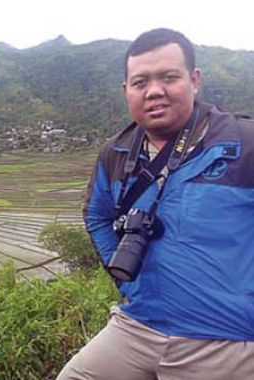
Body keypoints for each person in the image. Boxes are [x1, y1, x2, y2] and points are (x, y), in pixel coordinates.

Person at [56, 28, 254, 380]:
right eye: (140, 82)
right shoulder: (115, 153)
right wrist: (128, 286)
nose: (154, 91)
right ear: (126, 91)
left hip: (221, 338)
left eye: (168, 77)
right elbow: (97, 216)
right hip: (139, 325)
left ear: (195, 80)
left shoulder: (243, 144)